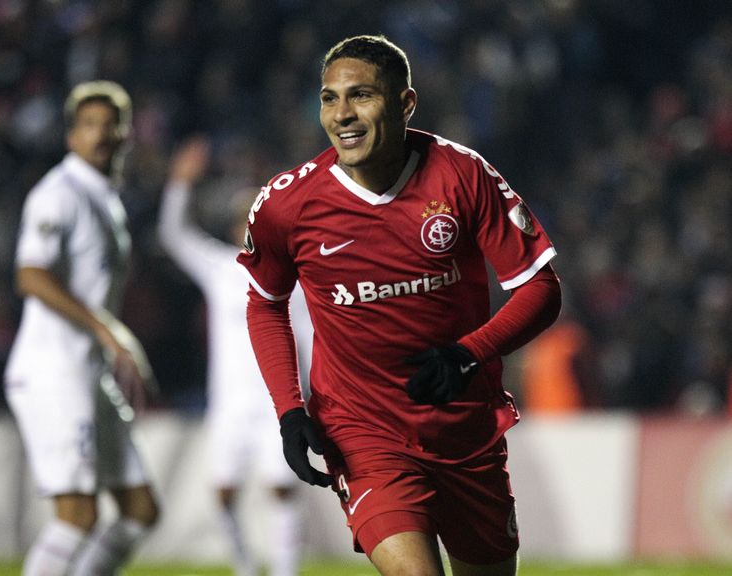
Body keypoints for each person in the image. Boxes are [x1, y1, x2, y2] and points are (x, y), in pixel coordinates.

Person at [237, 35, 561, 576]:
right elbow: (266, 303)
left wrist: (467, 355)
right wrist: (290, 411)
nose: (343, 115)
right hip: (364, 432)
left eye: (361, 96)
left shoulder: (462, 174)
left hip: (464, 432)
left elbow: (540, 288)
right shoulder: (286, 204)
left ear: (405, 103)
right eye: (329, 98)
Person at [4, 80, 160, 576]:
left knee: (140, 509)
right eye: (89, 125)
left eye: (111, 124)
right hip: (54, 370)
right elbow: (30, 275)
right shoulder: (59, 193)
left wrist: (113, 338)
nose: (101, 134)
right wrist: (104, 328)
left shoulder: (105, 197)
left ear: (126, 134)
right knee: (77, 514)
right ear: (71, 135)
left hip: (89, 371)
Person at [158, 136, 310, 576]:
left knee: (282, 489)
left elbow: (309, 335)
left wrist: (313, 394)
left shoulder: (294, 274)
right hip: (229, 403)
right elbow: (174, 235)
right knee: (223, 492)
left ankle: (285, 571)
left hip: (278, 400)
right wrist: (179, 186)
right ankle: (244, 565)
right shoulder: (221, 268)